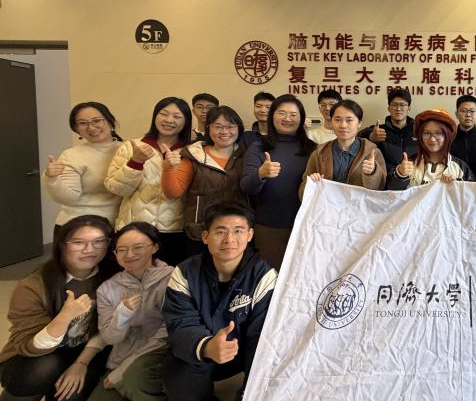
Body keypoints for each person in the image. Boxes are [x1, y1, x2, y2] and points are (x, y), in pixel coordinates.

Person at [162, 202, 277, 401]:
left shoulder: (264, 276)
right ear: (205, 236)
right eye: (220, 231)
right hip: (205, 350)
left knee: (268, 357)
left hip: (242, 352)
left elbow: (262, 343)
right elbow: (179, 324)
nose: (230, 239)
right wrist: (206, 346)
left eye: (238, 231)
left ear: (250, 235)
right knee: (175, 374)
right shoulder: (184, 273)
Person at [0, 216, 116, 401]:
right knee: (41, 369)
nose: (89, 249)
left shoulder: (110, 277)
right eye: (79, 242)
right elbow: (28, 345)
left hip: (83, 354)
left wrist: (81, 364)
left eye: (99, 242)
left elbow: (107, 331)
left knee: (65, 400)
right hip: (33, 356)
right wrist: (64, 317)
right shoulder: (34, 284)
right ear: (62, 245)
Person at [61, 222, 173, 401]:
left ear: (154, 247)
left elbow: (169, 331)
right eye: (122, 250)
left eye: (138, 247)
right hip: (119, 363)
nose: (129, 255)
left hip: (160, 356)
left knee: (135, 374)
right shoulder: (108, 288)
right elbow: (110, 338)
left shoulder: (174, 278)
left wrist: (124, 370)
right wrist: (122, 313)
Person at [105, 97, 192, 266]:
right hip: (134, 228)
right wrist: (135, 162)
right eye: (164, 114)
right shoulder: (132, 146)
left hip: (174, 230)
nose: (169, 120)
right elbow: (116, 188)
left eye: (177, 116)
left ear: (186, 121)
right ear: (155, 116)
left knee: (169, 277)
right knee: (130, 277)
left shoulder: (191, 151)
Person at [162, 105, 249, 257]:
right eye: (218, 126)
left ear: (239, 129)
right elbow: (172, 193)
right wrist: (168, 168)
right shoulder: (194, 155)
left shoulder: (247, 156)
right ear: (208, 128)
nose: (224, 131)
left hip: (236, 230)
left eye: (230, 126)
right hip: (200, 230)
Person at [240, 94, 315, 270]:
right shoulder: (259, 147)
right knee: (271, 277)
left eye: (293, 115)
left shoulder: (312, 148)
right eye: (281, 113)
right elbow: (246, 187)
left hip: (305, 227)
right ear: (272, 116)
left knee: (301, 276)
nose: (287, 118)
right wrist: (261, 174)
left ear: (301, 119)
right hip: (269, 227)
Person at [44, 102, 123, 233]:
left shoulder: (129, 150)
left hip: (120, 224)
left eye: (96, 121)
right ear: (77, 129)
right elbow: (68, 198)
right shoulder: (71, 155)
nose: (91, 127)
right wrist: (52, 178)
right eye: (83, 123)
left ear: (110, 122)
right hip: (79, 227)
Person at [301, 99, 386, 195]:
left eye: (349, 120)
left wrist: (373, 172)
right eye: (337, 120)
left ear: (359, 123)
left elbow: (380, 190)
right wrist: (311, 183)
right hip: (328, 205)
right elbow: (302, 193)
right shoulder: (318, 153)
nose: (343, 125)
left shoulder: (372, 152)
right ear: (331, 121)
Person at [387, 109, 473, 189]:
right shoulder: (409, 164)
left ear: (447, 136)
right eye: (427, 133)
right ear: (420, 136)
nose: (432, 139)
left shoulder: (460, 167)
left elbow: (472, 194)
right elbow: (392, 193)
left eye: (438, 133)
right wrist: (400, 174)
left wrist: (457, 184)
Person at [359, 88, 417, 175]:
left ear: (409, 108)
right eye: (394, 105)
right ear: (388, 108)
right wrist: (371, 137)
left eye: (402, 105)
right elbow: (357, 139)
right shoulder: (379, 131)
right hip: (385, 180)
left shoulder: (418, 131)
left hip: (414, 180)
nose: (398, 108)